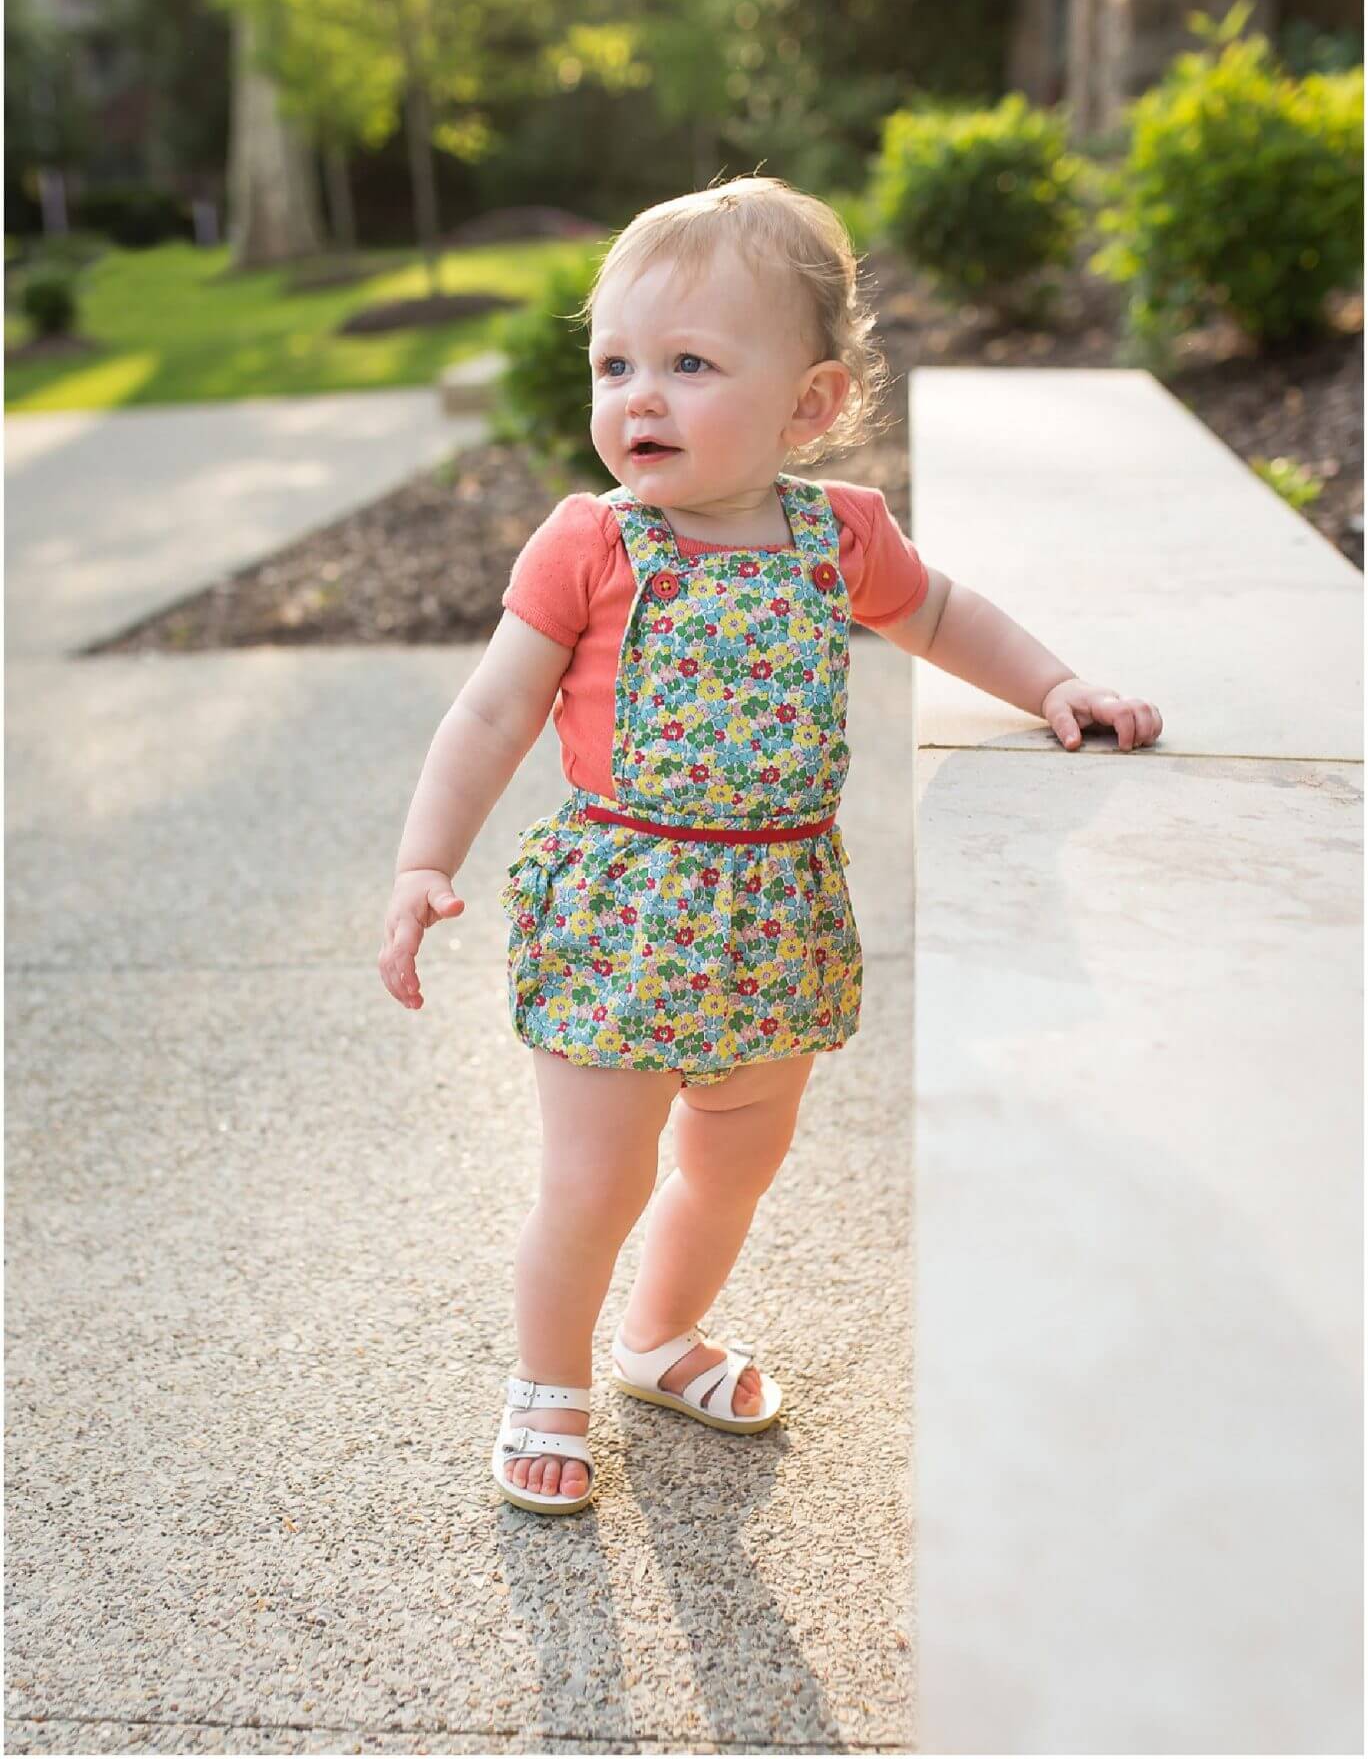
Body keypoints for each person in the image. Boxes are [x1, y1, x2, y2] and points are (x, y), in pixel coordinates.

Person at [378, 175, 1163, 1517]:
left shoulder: (835, 535)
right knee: (594, 1180)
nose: (640, 396)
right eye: (615, 363)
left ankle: (658, 1339)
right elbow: (495, 707)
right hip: (625, 916)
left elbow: (946, 617)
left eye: (689, 365)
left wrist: (1051, 686)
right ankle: (547, 1384)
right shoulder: (592, 545)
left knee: (732, 1161)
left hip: (776, 920)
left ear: (812, 405)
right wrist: (421, 861)